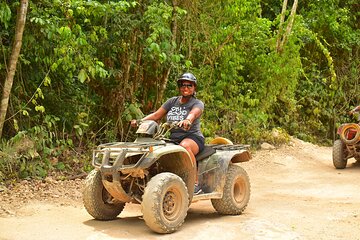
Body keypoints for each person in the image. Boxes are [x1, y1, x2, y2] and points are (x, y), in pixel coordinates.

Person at [131, 72, 205, 194]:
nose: (185, 87)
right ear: (179, 87)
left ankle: (195, 184)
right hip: (173, 139)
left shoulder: (197, 103)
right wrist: (140, 121)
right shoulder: (172, 101)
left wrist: (188, 120)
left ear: (194, 88)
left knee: (184, 147)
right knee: (152, 148)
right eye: (183, 85)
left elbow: (194, 113)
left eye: (189, 85)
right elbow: (156, 115)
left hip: (192, 137)